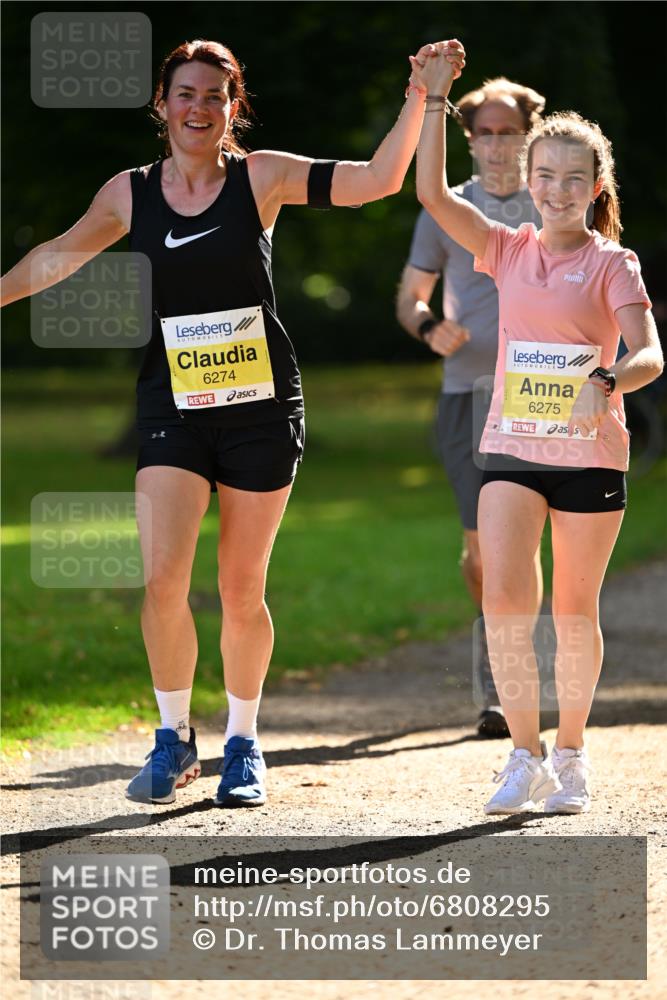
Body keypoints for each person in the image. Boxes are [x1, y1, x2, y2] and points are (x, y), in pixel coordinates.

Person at [1, 38, 465, 808]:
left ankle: (243, 743)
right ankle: (173, 737)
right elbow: (56, 257)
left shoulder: (262, 176)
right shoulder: (129, 192)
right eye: (185, 93)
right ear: (161, 104)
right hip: (173, 408)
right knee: (162, 579)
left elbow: (377, 181)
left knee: (241, 587)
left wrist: (423, 93)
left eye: (215, 96)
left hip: (260, 410)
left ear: (232, 107)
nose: (199, 108)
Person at [415, 46, 662, 814]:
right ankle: (523, 757)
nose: (557, 191)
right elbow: (429, 192)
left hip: (589, 454)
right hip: (510, 449)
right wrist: (432, 99)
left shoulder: (613, 263)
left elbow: (649, 353)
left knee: (572, 611)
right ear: (527, 181)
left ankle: (571, 756)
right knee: (504, 601)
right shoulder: (503, 247)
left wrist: (608, 379)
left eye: (573, 179)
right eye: (545, 176)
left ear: (595, 188)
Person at [396, 77, 546, 739]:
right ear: (469, 139)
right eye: (484, 133)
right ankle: (497, 655)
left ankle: (513, 683)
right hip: (468, 393)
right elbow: (410, 298)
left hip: (541, 394)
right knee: (482, 553)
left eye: (508, 132)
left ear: (528, 135)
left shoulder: (555, 202)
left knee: (524, 540)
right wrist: (429, 327)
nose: (496, 144)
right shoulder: (447, 209)